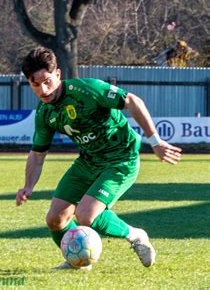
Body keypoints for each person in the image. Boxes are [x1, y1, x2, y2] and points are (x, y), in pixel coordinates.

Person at [16, 47, 182, 270]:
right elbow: (37, 154)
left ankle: (136, 235)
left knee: (86, 215)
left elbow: (132, 101)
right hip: (89, 161)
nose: (43, 90)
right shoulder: (45, 113)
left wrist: (156, 142)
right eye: (35, 84)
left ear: (58, 74)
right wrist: (28, 186)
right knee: (55, 219)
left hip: (120, 159)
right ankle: (78, 261)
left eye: (47, 81)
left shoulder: (86, 90)